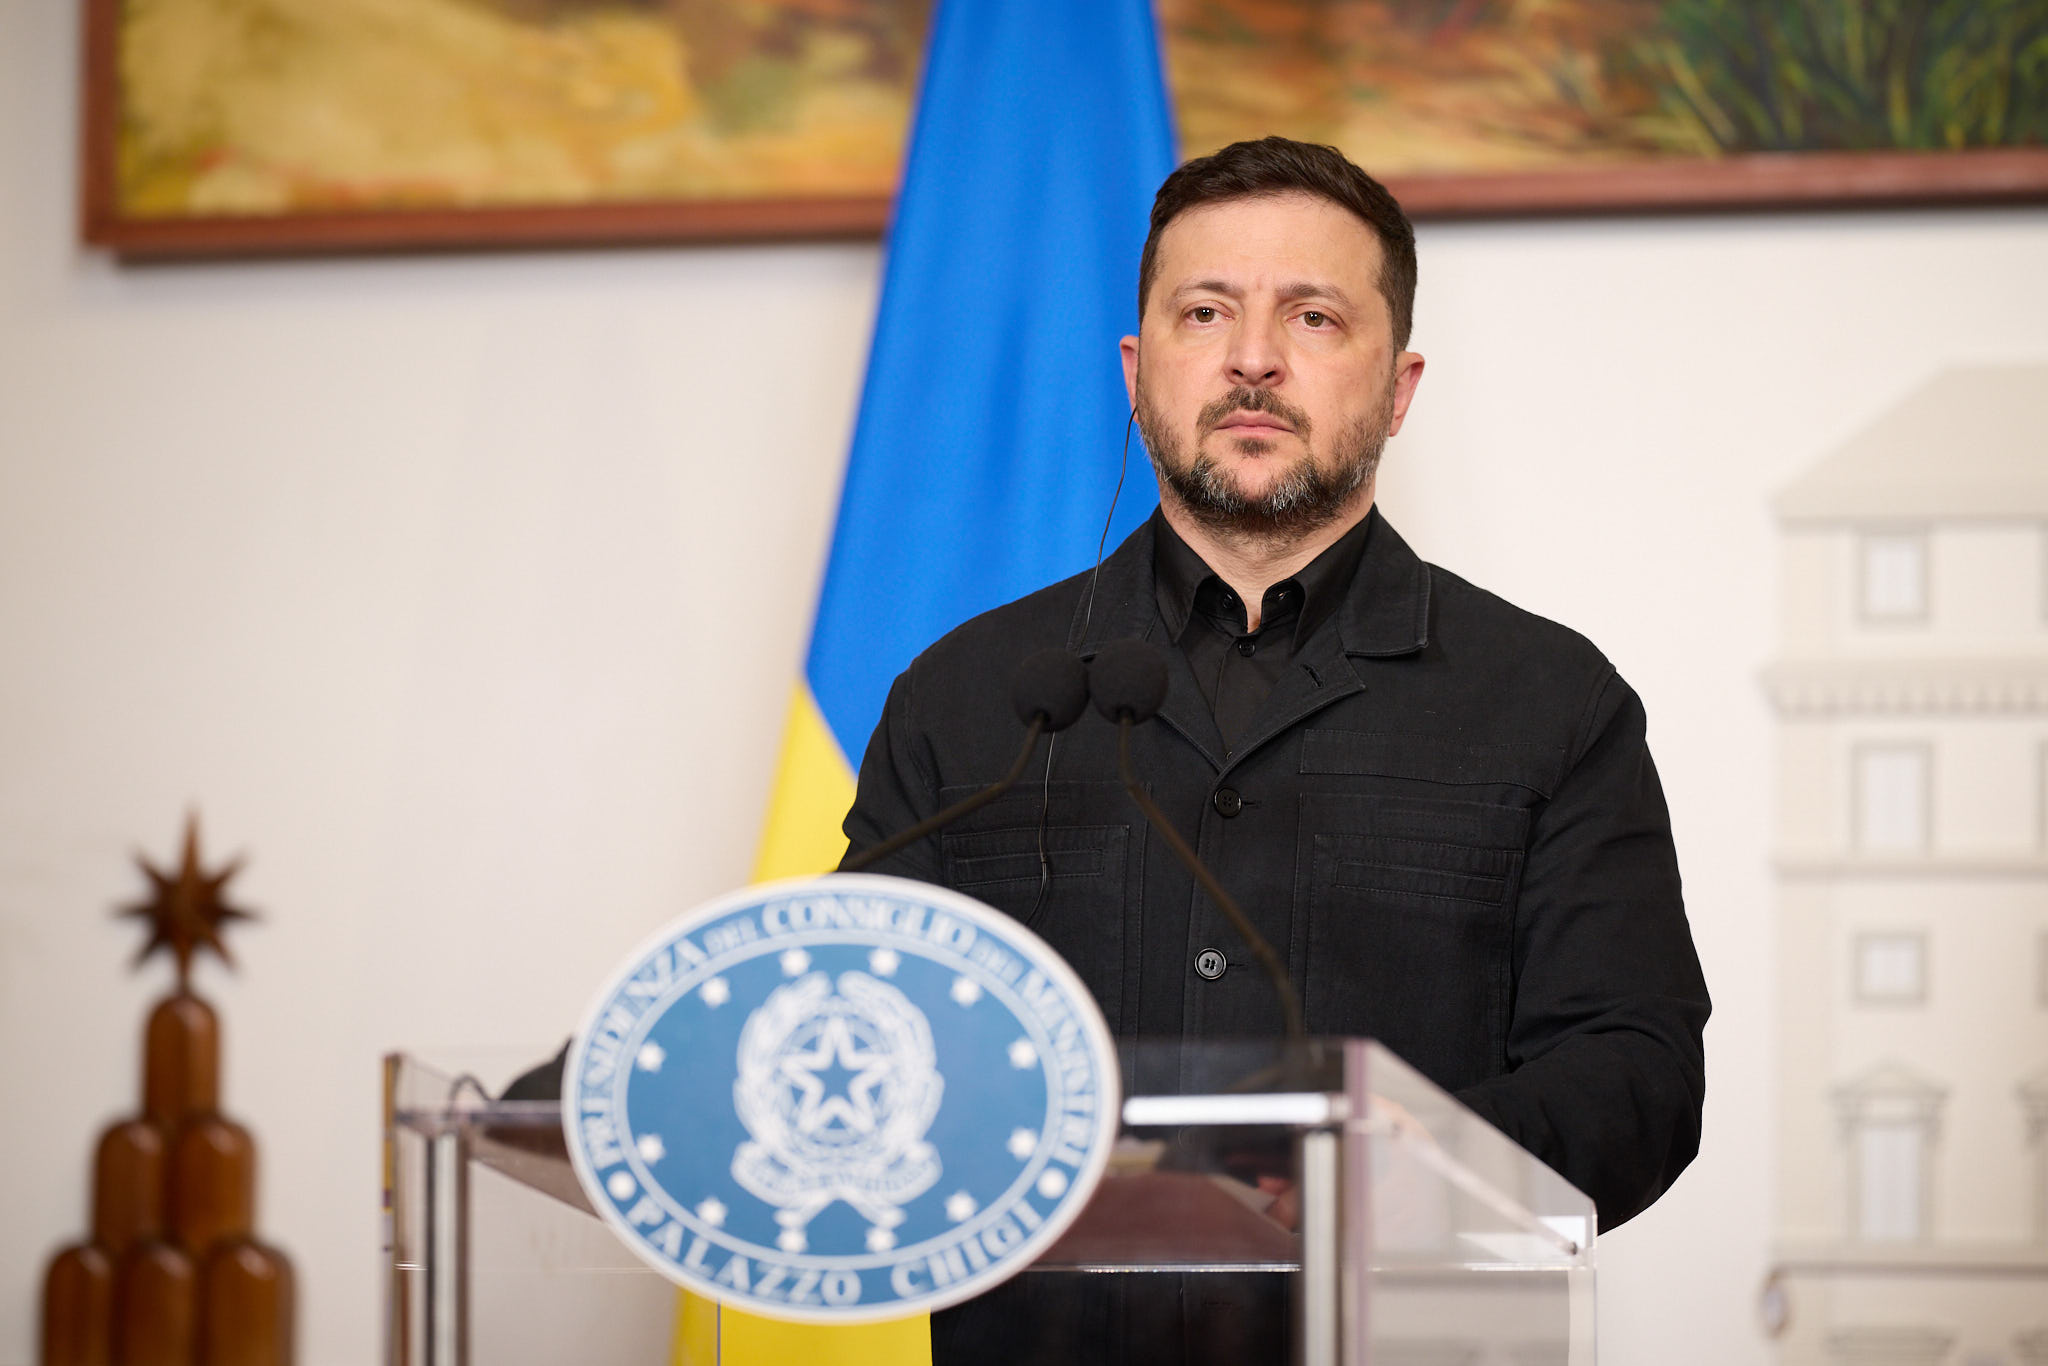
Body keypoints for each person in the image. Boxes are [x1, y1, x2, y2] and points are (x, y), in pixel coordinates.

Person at [841, 136, 1710, 1363]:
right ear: (1137, 370)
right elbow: (856, 1030)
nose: (1251, 358)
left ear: (1397, 388)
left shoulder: (1550, 701)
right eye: (1205, 313)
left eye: (1312, 317)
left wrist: (1393, 1180)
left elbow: (1634, 1076)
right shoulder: (969, 698)